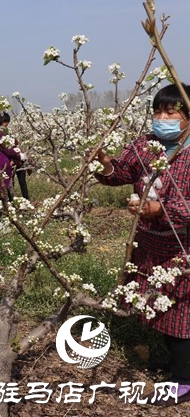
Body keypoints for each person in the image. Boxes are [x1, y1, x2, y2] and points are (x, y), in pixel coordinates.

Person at [93, 82, 190, 405]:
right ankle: (178, 365)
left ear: (187, 117)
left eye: (171, 111)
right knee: (160, 309)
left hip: (181, 252)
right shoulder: (146, 146)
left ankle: (184, 380)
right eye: (157, 111)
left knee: (181, 314)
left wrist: (159, 210)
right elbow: (121, 172)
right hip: (149, 245)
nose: (162, 117)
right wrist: (105, 163)